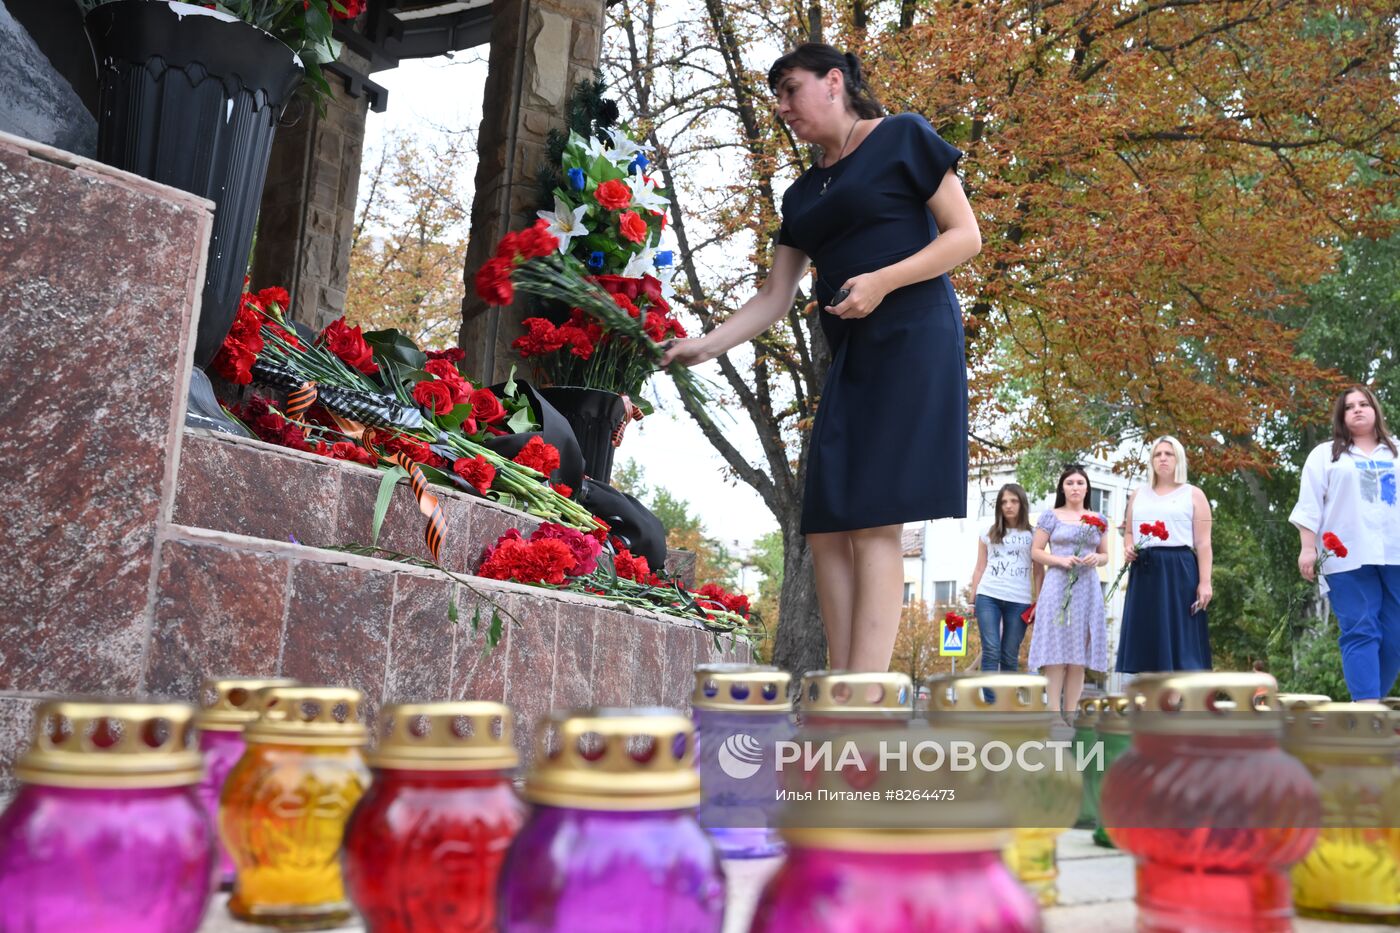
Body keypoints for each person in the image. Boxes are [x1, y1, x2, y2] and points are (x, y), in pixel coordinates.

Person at [660, 43, 981, 671]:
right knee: (828, 520)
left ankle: (863, 696)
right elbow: (775, 296)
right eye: (775, 97)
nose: (782, 107)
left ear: (834, 82)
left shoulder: (903, 137)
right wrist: (707, 342)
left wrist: (883, 281)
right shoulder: (803, 193)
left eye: (790, 89)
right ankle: (843, 680)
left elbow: (965, 235)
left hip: (915, 339)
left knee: (874, 519)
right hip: (853, 351)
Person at [1289, 385, 1400, 702]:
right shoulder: (1325, 455)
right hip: (1346, 557)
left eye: (1364, 404)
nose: (1358, 409)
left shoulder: (1397, 453)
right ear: (1341, 415)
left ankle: (1367, 705)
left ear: (1376, 410)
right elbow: (1309, 504)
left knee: (1394, 635)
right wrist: (1307, 548)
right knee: (1361, 628)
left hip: (1395, 554)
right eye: (1350, 406)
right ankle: (1366, 709)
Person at [1114, 436, 1214, 674]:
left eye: (1168, 454)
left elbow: (1203, 542)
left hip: (1180, 570)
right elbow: (1128, 531)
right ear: (1151, 461)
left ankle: (1176, 702)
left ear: (1178, 458)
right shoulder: (1138, 494)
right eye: (1157, 454)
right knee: (1148, 636)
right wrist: (1129, 547)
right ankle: (1150, 702)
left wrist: (1205, 582)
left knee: (1181, 641)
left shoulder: (1194, 494)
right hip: (1144, 570)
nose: (1163, 459)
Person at [1028, 466, 1109, 723]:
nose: (1075, 487)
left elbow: (1106, 555)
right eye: (1070, 483)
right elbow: (1036, 551)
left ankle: (1071, 715)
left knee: (1078, 656)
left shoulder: (1099, 519)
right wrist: (1060, 560)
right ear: (1062, 488)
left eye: (1080, 483)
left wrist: (1098, 557)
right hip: (1057, 585)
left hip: (1087, 587)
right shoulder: (1050, 516)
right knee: (1055, 652)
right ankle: (1053, 715)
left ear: (1087, 488)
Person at [970, 483, 1041, 672]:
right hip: (988, 597)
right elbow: (980, 567)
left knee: (1010, 655)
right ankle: (992, 701)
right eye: (1004, 502)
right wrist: (972, 600)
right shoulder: (987, 531)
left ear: (1022, 504)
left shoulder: (1034, 534)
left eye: (1014, 501)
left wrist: (1039, 602)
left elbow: (1039, 571)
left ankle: (1006, 700)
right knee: (991, 650)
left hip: (1019, 601)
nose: (1008, 505)